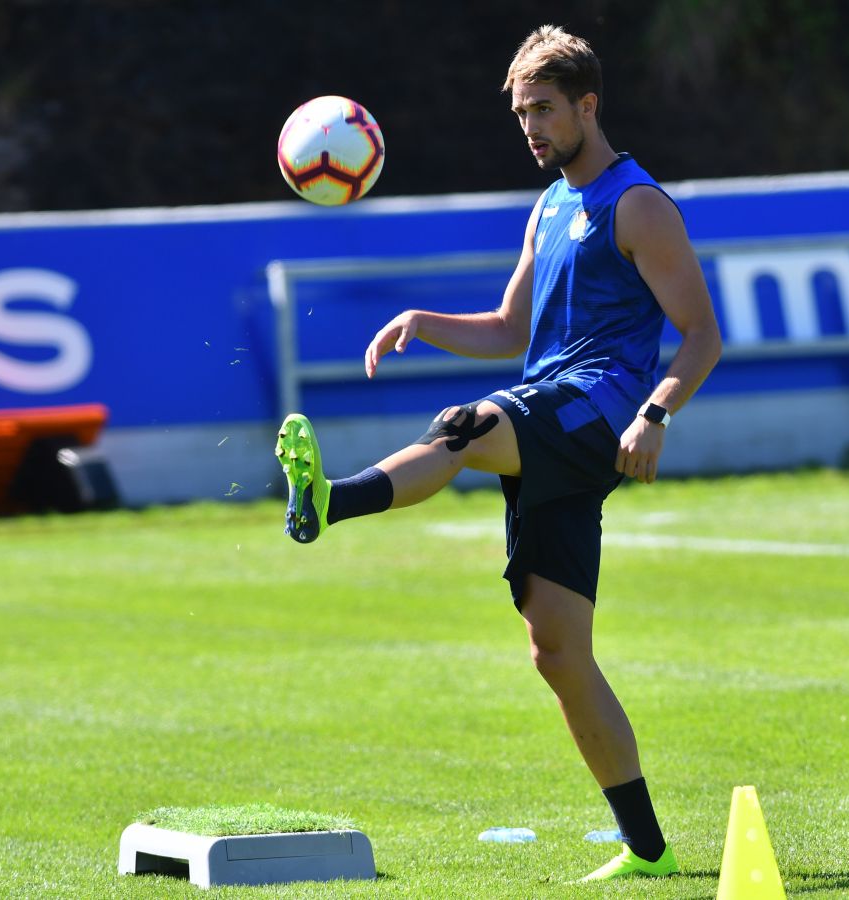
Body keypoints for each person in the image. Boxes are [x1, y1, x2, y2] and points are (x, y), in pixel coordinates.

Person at [274, 24, 721, 882]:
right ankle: (650, 851)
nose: (533, 129)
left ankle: (330, 499)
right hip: (554, 412)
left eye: (546, 110)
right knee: (558, 650)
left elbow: (701, 335)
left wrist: (655, 415)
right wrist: (423, 321)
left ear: (589, 106)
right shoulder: (549, 206)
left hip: (597, 413)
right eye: (522, 114)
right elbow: (513, 329)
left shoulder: (637, 205)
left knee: (464, 426)